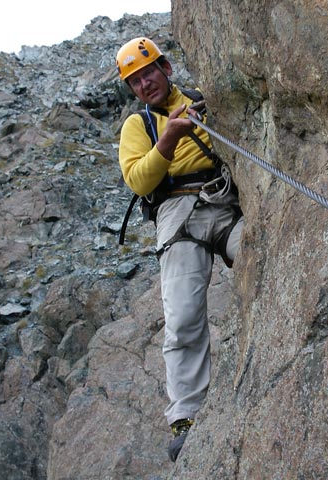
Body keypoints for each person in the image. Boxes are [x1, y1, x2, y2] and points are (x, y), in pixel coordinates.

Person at [115, 37, 244, 462]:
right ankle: (185, 415)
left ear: (165, 67)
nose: (144, 84)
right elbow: (138, 181)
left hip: (222, 201)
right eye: (134, 82)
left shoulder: (202, 101)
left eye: (147, 72)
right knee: (184, 315)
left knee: (260, 257)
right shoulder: (139, 126)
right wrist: (169, 135)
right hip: (176, 211)